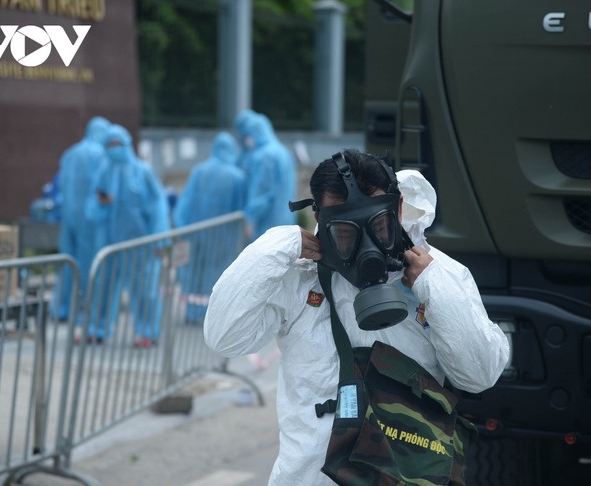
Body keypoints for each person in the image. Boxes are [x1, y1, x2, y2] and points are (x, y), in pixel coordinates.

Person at [204, 149, 510, 485]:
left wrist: (435, 288)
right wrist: (273, 248)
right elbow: (224, 337)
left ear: (398, 210)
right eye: (346, 234)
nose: (367, 247)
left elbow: (481, 374)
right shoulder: (299, 280)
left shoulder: (435, 275)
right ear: (321, 222)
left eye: (378, 227)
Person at [83, 124, 171, 347]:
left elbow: (157, 209)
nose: (114, 149)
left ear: (127, 145)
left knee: (144, 291)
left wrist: (159, 240)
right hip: (109, 243)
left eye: (118, 144)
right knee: (102, 287)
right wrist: (101, 204)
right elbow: (92, 207)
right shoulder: (104, 171)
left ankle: (147, 333)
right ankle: (97, 329)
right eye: (110, 145)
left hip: (140, 245)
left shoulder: (143, 172)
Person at [172, 131, 246, 323]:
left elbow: (185, 202)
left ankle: (192, 311)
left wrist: (181, 227)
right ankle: (210, 315)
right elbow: (240, 209)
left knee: (194, 271)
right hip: (223, 237)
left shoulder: (199, 171)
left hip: (195, 234)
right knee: (216, 273)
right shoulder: (237, 177)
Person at [51, 116, 110, 321]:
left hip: (68, 217)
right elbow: (103, 189)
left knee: (67, 263)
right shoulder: (101, 155)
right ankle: (84, 311)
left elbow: (58, 185)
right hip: (90, 220)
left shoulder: (70, 153)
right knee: (88, 265)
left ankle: (61, 308)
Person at [234, 111, 297, 241]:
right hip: (284, 221)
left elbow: (262, 193)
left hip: (267, 227)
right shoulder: (282, 151)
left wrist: (250, 218)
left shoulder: (265, 156)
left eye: (247, 135)